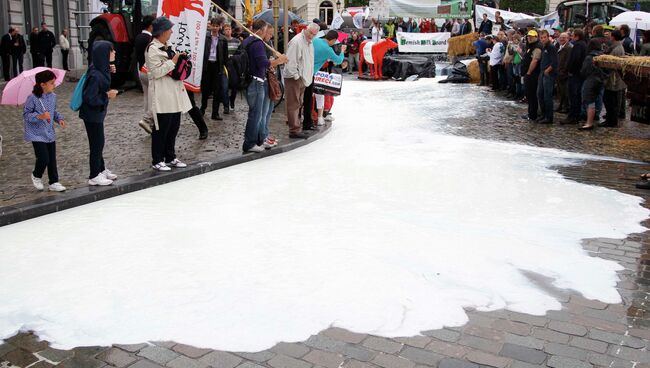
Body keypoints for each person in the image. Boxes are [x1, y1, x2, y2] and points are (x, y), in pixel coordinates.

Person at [146, 16, 192, 171]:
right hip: (162, 94)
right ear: (162, 32)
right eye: (169, 29)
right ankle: (157, 159)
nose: (172, 32)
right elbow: (156, 71)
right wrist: (173, 61)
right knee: (161, 129)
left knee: (173, 127)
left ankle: (170, 156)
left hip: (175, 92)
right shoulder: (152, 49)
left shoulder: (168, 46)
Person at [242, 20, 288, 152]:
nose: (270, 35)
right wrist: (279, 61)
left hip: (252, 80)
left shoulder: (248, 41)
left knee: (256, 113)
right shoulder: (257, 43)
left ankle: (257, 140)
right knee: (255, 114)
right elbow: (263, 63)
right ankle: (249, 143)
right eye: (268, 31)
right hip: (256, 82)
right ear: (261, 30)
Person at [80, 41, 119, 185]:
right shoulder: (96, 74)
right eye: (112, 50)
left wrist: (109, 69)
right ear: (104, 54)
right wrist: (107, 95)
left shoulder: (99, 67)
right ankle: (94, 175)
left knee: (99, 143)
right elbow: (90, 97)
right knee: (97, 144)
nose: (114, 53)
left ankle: (101, 169)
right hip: (92, 114)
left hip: (96, 113)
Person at [23, 69, 66, 192]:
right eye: (51, 83)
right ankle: (36, 175)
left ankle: (54, 182)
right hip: (36, 134)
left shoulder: (53, 97)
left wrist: (59, 119)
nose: (54, 85)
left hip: (49, 132)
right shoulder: (32, 98)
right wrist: (39, 116)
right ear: (42, 85)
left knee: (52, 158)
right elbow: (26, 115)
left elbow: (54, 111)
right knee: (43, 158)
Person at [284, 22, 318, 140]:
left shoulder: (310, 42)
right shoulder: (297, 41)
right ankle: (294, 130)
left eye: (314, 34)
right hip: (295, 78)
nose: (311, 36)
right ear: (306, 29)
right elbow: (291, 62)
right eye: (310, 33)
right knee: (294, 104)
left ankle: (296, 127)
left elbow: (309, 61)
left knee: (298, 103)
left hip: (302, 78)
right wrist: (297, 77)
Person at [312, 30, 346, 126]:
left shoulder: (315, 40)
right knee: (320, 95)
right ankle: (319, 118)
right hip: (315, 74)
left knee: (305, 97)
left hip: (304, 71)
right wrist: (342, 51)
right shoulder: (328, 50)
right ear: (334, 40)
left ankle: (303, 116)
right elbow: (339, 60)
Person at [200, 16, 228, 121]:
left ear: (220, 27)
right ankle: (202, 109)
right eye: (213, 26)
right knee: (205, 89)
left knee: (217, 90)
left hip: (217, 66)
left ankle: (215, 113)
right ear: (210, 26)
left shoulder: (223, 39)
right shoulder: (205, 37)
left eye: (217, 26)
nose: (215, 28)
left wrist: (225, 68)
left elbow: (225, 55)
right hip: (207, 65)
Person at [578, 39, 606, 130]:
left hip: (590, 80)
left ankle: (589, 122)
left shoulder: (589, 57)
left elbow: (584, 71)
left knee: (589, 100)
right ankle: (592, 119)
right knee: (596, 100)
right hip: (600, 80)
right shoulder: (603, 55)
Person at [135, 14, 156, 134]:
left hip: (140, 70)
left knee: (147, 97)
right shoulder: (149, 39)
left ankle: (148, 120)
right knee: (155, 97)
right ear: (151, 26)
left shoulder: (138, 37)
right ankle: (147, 120)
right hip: (148, 71)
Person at [601, 30, 626, 127]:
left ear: (613, 37)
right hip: (613, 79)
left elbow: (613, 64)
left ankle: (611, 121)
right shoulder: (617, 47)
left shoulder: (617, 49)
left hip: (613, 79)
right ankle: (610, 119)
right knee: (610, 100)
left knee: (611, 101)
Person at [563, 29, 587, 125]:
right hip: (579, 74)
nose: (571, 37)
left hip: (575, 74)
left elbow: (576, 59)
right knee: (576, 96)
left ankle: (573, 116)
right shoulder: (583, 44)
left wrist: (570, 70)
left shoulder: (578, 45)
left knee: (574, 96)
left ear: (577, 36)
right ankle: (575, 115)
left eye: (572, 35)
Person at [536, 30, 558, 124]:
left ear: (548, 37)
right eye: (541, 37)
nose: (543, 39)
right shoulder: (544, 47)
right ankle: (543, 114)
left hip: (548, 74)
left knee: (547, 96)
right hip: (542, 73)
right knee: (540, 94)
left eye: (545, 37)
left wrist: (547, 70)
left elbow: (555, 62)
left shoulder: (551, 47)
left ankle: (549, 117)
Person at [521, 30, 542, 121]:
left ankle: (532, 114)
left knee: (532, 95)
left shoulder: (537, 47)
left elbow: (535, 60)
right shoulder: (530, 46)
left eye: (532, 36)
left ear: (536, 37)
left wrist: (529, 72)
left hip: (533, 75)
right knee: (529, 95)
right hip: (529, 73)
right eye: (528, 36)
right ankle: (531, 113)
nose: (529, 38)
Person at [223, 23, 240, 111]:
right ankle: (226, 106)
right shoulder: (222, 40)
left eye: (229, 29)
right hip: (225, 65)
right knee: (225, 86)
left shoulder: (236, 41)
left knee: (234, 85)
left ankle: (232, 100)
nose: (228, 31)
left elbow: (240, 52)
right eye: (226, 29)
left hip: (234, 65)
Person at [556, 32, 573, 114]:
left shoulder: (569, 47)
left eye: (564, 37)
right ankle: (561, 105)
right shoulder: (560, 46)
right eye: (561, 37)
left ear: (568, 38)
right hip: (559, 71)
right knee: (560, 90)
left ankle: (566, 107)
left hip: (564, 72)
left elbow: (567, 61)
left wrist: (564, 71)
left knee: (565, 91)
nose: (562, 39)